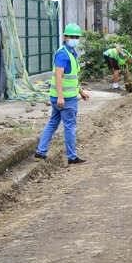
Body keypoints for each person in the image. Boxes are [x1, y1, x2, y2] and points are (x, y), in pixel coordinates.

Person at [34, 23, 90, 165]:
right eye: (72, 36)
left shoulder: (70, 53)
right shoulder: (63, 54)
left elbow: (71, 78)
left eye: (77, 37)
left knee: (53, 123)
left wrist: (81, 91)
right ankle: (72, 157)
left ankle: (40, 152)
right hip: (65, 99)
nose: (75, 39)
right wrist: (61, 97)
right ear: (65, 37)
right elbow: (58, 76)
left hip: (62, 97)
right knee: (69, 126)